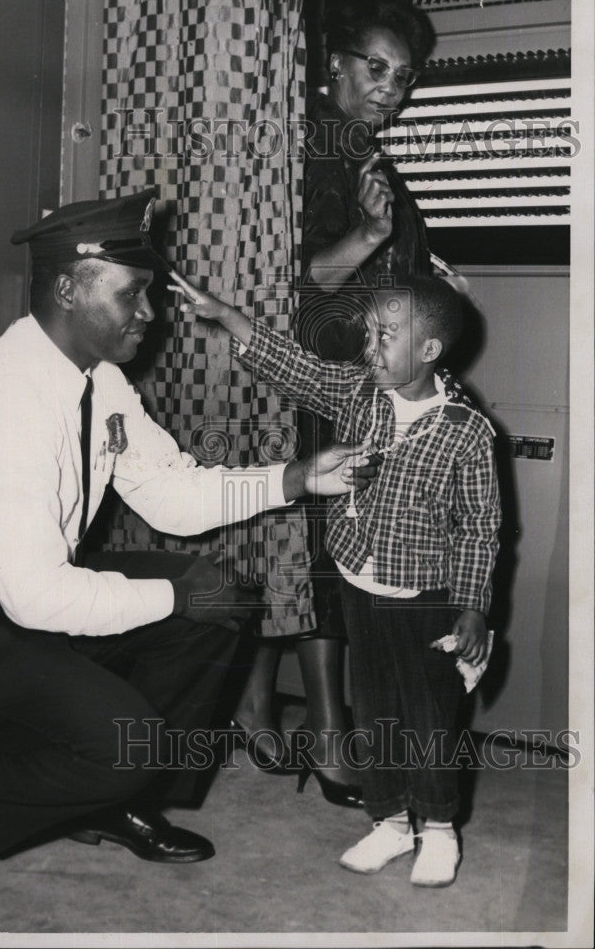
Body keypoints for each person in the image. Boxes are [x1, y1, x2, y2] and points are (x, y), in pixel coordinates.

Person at [0, 189, 380, 894]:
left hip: (16, 597)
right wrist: (173, 592)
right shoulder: (7, 400)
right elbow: (40, 598)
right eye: (133, 294)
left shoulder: (99, 381)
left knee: (221, 598)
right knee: (126, 732)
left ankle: (117, 802)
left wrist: (292, 479)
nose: (152, 313)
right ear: (68, 289)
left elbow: (172, 494)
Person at [168, 270, 500, 888]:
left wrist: (473, 606)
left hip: (426, 598)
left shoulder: (467, 433)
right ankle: (392, 822)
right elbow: (295, 368)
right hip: (360, 585)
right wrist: (226, 315)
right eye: (369, 333)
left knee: (427, 716)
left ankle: (439, 828)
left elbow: (481, 528)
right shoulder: (359, 393)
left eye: (385, 336)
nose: (369, 348)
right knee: (374, 710)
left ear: (429, 350)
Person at [231, 0, 438, 801]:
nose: (391, 88)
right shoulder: (312, 152)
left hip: (353, 378)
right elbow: (295, 285)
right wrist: (371, 239)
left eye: (404, 76)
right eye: (376, 69)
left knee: (291, 551)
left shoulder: (360, 152)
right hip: (306, 382)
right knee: (316, 559)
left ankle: (253, 706)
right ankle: (328, 738)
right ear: (331, 67)